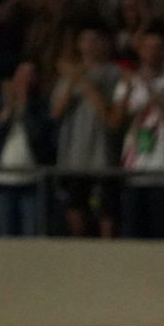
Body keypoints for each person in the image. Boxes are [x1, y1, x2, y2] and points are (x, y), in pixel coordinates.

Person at [111, 23, 164, 239]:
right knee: (132, 238)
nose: (152, 53)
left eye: (157, 47)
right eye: (147, 47)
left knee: (162, 237)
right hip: (134, 171)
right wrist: (130, 89)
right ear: (140, 51)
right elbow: (116, 123)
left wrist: (152, 89)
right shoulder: (128, 84)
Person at [51, 25, 121, 238]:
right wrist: (73, 80)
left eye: (94, 40)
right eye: (85, 40)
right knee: (75, 207)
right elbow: (56, 112)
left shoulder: (113, 73)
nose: (89, 45)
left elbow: (108, 112)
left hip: (101, 155)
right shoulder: (68, 77)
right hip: (74, 157)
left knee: (106, 208)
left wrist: (83, 80)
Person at [0, 60, 48, 237]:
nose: (25, 80)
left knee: (30, 237)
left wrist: (24, 106)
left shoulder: (41, 106)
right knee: (6, 237)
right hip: (3, 183)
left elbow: (39, 137)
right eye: (21, 74)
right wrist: (9, 109)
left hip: (31, 183)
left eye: (29, 75)